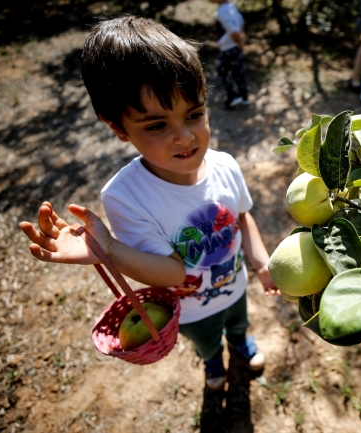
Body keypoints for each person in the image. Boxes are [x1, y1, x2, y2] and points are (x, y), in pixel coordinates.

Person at [18, 16, 279, 392]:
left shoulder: (226, 166)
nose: (184, 136)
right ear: (119, 128)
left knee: (238, 323)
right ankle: (211, 362)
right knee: (206, 339)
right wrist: (110, 249)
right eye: (157, 125)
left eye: (195, 114)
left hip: (234, 287)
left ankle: (239, 342)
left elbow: (241, 216)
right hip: (189, 309)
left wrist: (261, 262)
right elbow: (173, 274)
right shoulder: (125, 196)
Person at [210, 0, 250, 109]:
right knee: (238, 72)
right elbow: (241, 23)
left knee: (221, 71)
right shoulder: (231, 7)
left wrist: (240, 42)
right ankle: (244, 98)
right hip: (235, 46)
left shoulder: (222, 11)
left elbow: (233, 30)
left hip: (229, 47)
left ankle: (233, 96)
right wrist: (240, 41)